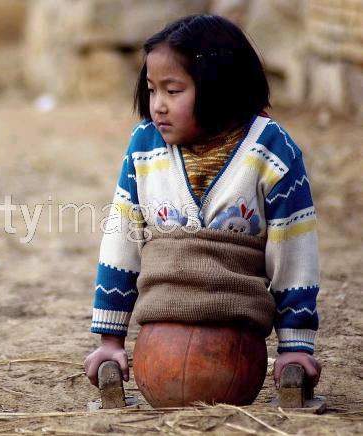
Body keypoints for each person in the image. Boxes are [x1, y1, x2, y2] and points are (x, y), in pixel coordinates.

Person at [83, 14, 321, 392]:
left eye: (173, 91)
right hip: (160, 336)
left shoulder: (271, 149)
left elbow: (294, 250)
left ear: (219, 87)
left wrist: (296, 345)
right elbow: (121, 240)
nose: (157, 105)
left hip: (236, 340)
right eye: (151, 90)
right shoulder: (144, 147)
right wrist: (109, 340)